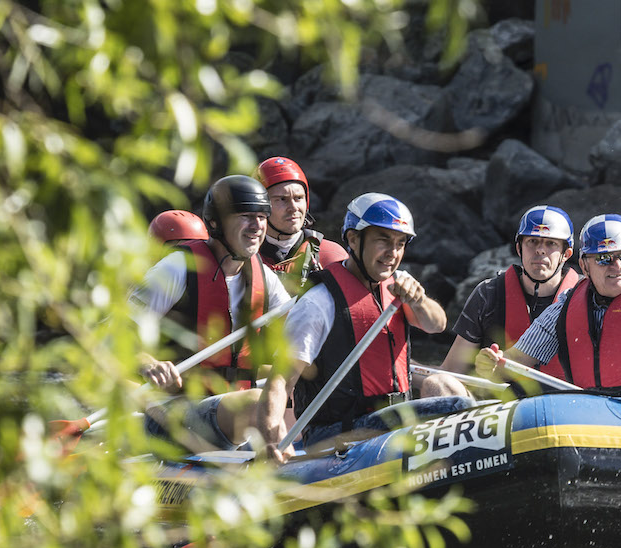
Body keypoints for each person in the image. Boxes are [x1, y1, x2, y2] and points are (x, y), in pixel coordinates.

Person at [258, 192, 472, 462]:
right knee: (457, 406)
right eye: (383, 240)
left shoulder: (397, 287)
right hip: (336, 431)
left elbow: (437, 325)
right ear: (353, 239)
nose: (392, 253)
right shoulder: (318, 302)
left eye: (400, 243)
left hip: (389, 417)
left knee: (443, 384)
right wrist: (271, 439)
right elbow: (280, 381)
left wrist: (418, 299)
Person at [133, 176, 291, 451]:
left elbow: (300, 328)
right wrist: (147, 362)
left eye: (262, 216)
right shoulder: (177, 268)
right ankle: (288, 475)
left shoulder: (263, 277)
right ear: (215, 222)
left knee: (292, 398)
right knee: (258, 402)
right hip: (173, 412)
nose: (257, 226)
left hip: (227, 408)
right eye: (245, 216)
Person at [476, 214, 621, 396]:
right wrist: (493, 363)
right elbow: (514, 361)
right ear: (584, 267)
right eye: (604, 258)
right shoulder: (564, 308)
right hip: (590, 422)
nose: (616, 266)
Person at [441, 204, 580, 379]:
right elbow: (452, 371)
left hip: (564, 400)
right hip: (499, 402)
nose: (540, 250)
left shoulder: (585, 296)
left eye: (551, 243)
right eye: (532, 241)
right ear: (519, 248)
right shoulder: (488, 294)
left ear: (566, 254)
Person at [253, 156, 348, 290]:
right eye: (282, 199)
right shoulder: (242, 261)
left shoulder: (333, 256)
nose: (293, 207)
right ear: (260, 206)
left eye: (298, 198)